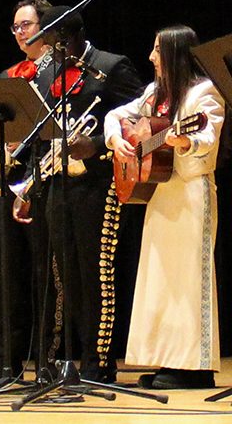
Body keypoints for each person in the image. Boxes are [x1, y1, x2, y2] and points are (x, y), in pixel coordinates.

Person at [14, 6, 143, 383]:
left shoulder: (112, 65)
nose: (56, 52)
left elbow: (142, 120)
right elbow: (44, 133)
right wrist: (29, 186)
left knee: (95, 273)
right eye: (52, 46)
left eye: (61, 44)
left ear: (76, 36)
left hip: (99, 182)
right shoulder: (51, 70)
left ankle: (98, 361)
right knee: (64, 274)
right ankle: (68, 357)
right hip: (58, 183)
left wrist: (99, 143)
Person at [105, 26, 223, 390]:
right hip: (161, 192)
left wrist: (184, 140)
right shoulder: (154, 93)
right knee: (160, 281)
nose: (151, 56)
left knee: (189, 281)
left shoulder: (204, 92)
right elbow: (115, 116)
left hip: (191, 192)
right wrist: (117, 142)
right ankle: (169, 361)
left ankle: (196, 367)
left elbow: (207, 137)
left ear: (174, 52)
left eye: (157, 49)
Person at [0, 0, 57, 383]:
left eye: (26, 25)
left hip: (44, 179)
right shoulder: (8, 76)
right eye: (16, 27)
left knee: (43, 275)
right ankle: (8, 362)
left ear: (47, 25)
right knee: (4, 275)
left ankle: (47, 361)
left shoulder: (61, 72)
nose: (20, 33)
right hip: (5, 182)